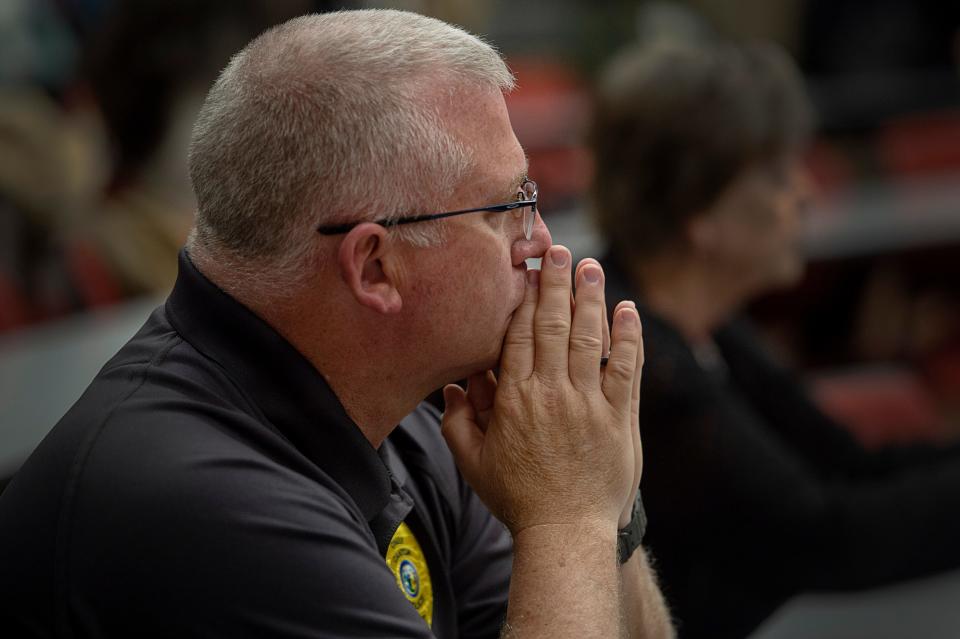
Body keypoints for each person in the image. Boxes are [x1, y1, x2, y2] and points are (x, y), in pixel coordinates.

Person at [0, 10, 673, 638]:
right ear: (375, 267)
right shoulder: (208, 505)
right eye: (508, 207)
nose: (542, 243)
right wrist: (570, 512)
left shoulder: (399, 414)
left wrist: (607, 514)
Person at [589, 40, 960, 639]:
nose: (806, 192)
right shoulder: (642, 360)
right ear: (698, 210)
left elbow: (843, 465)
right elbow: (819, 538)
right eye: (777, 173)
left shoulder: (705, 327)